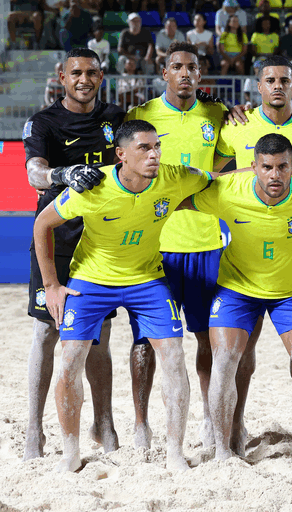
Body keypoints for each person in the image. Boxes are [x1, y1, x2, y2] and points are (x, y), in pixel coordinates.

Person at [32, 119, 219, 472]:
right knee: (70, 360)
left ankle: (175, 453)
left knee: (174, 356)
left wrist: (259, 168)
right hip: (91, 279)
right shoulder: (94, 187)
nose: (154, 154)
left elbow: (221, 179)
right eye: (144, 148)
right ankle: (71, 453)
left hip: (147, 279)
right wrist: (52, 286)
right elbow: (43, 224)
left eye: (157, 147)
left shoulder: (175, 176)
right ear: (121, 155)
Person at [185, 133, 292, 471]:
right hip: (237, 288)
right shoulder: (228, 192)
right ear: (253, 167)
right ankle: (222, 452)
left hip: (291, 289)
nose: (274, 175)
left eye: (282, 167)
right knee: (225, 360)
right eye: (266, 167)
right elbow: (178, 197)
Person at [213, 55, 292, 454]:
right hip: (247, 247)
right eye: (270, 79)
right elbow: (209, 174)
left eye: (285, 79)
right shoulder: (237, 124)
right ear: (258, 85)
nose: (278, 85)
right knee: (238, 353)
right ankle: (232, 428)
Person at [123, 41, 230, 450]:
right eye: (176, 67)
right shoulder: (141, 116)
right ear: (164, 73)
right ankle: (140, 424)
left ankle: (205, 418)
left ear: (200, 76)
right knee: (143, 342)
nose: (184, 73)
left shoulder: (217, 114)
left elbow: (217, 170)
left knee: (205, 337)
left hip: (205, 244)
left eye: (192, 67)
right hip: (153, 247)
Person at [22, 48, 124, 462]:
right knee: (46, 333)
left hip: (102, 242)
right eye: (76, 72)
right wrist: (62, 175)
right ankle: (33, 429)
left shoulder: (116, 118)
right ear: (62, 76)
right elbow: (33, 172)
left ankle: (103, 424)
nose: (84, 79)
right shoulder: (43, 122)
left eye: (92, 72)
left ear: (102, 77)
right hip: (57, 240)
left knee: (100, 339)